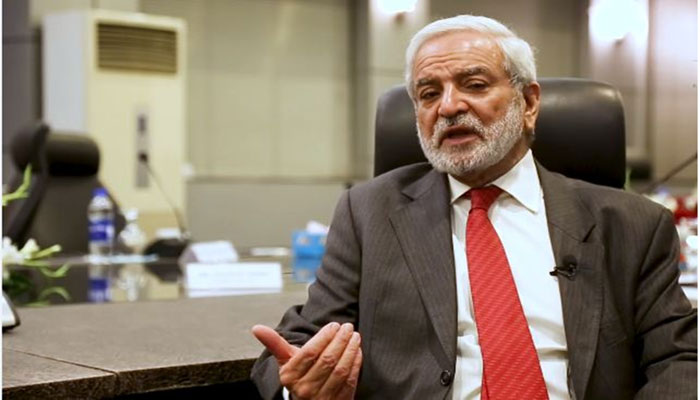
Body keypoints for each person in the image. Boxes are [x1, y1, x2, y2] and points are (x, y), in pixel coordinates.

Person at [250, 15, 697, 400]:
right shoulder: (369, 212)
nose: (448, 106)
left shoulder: (631, 224)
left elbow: (680, 358)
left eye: (475, 85)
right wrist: (298, 384)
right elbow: (300, 344)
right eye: (429, 94)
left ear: (528, 103)